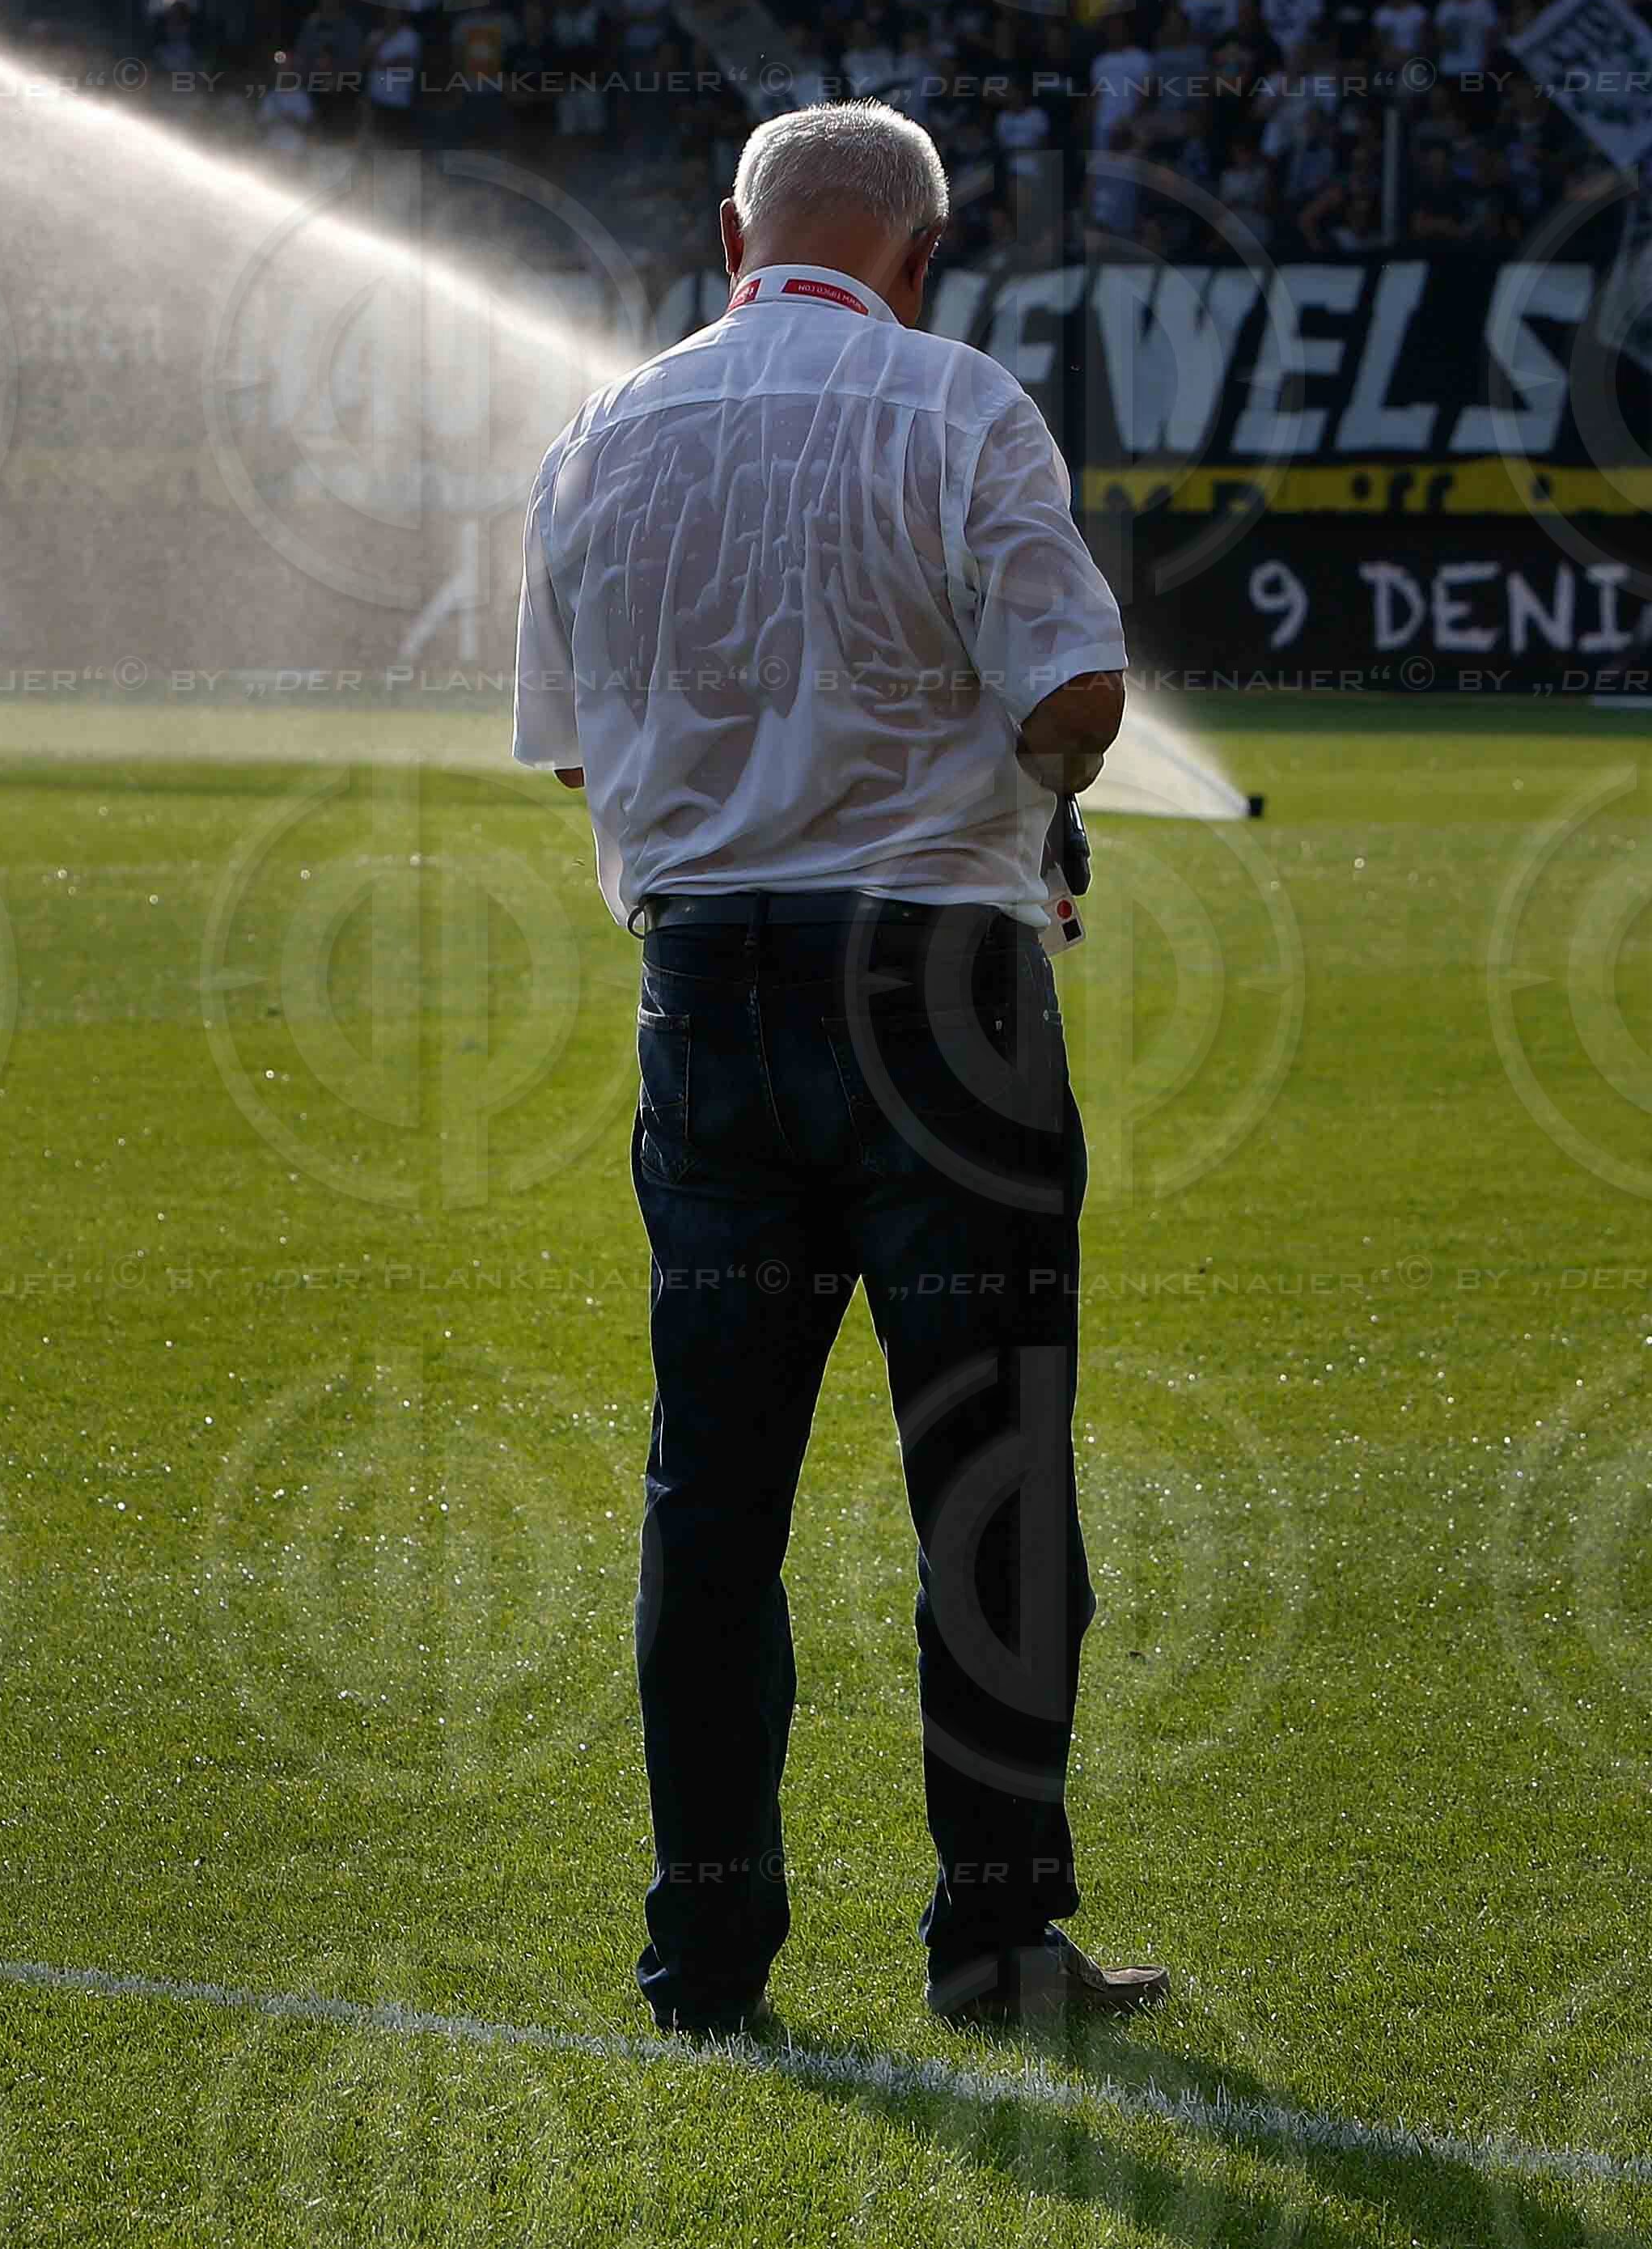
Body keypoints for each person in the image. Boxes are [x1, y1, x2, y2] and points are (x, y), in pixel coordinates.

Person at [512, 100, 1163, 2039]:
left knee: (712, 1501)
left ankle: (706, 1961)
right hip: (938, 1000)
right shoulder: (958, 404)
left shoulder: (602, 431)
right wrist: (1039, 785)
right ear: (924, 257)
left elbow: (579, 750)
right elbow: (1075, 689)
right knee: (991, 1485)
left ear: (732, 237)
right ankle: (996, 1941)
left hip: (706, 999)